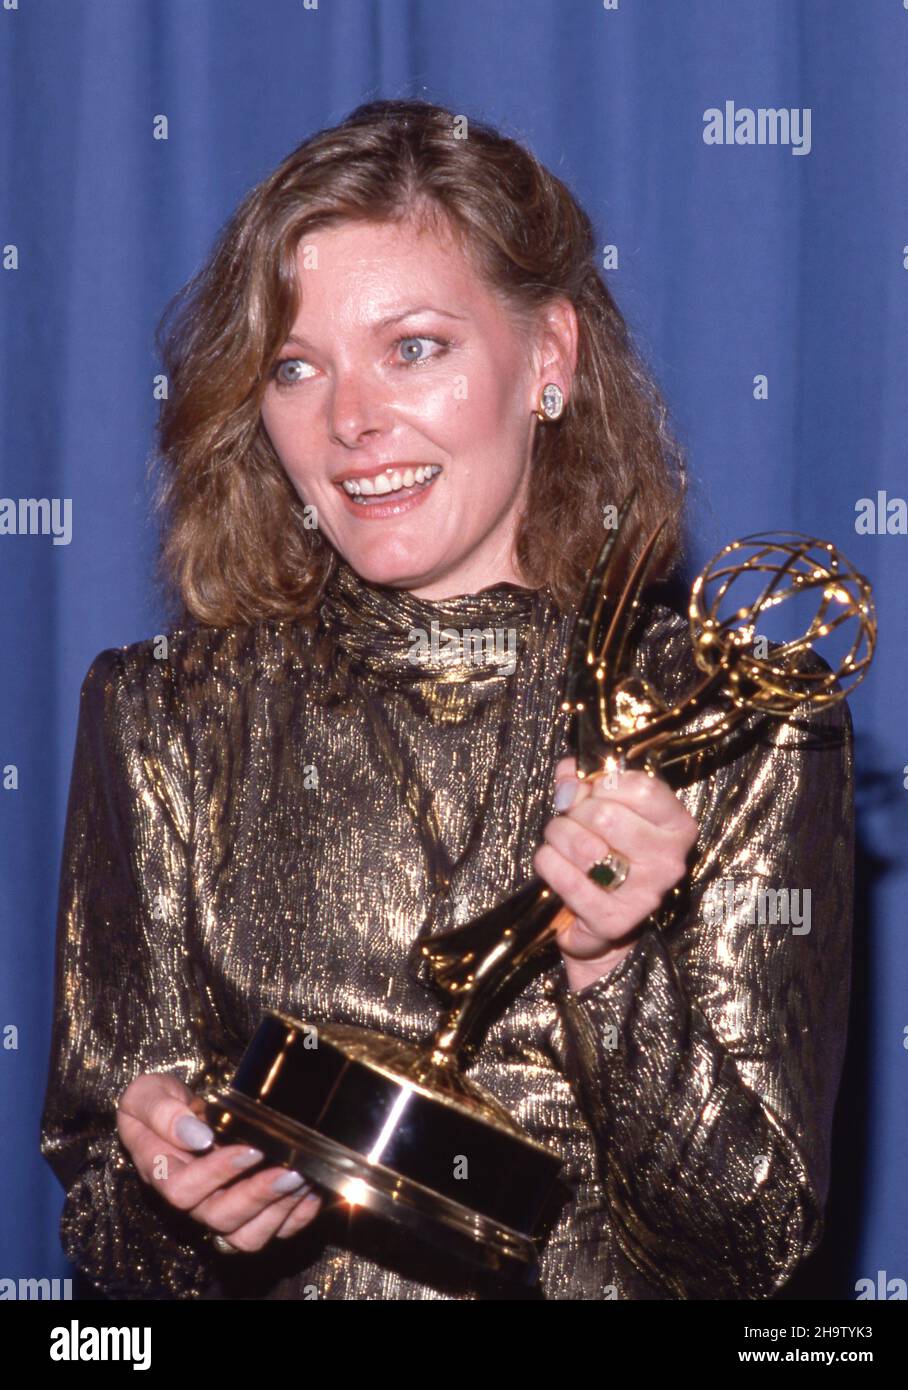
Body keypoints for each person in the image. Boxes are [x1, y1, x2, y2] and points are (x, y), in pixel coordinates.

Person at [39, 99, 853, 1300]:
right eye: (294, 365)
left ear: (548, 360)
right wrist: (172, 1203)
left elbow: (752, 1258)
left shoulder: (732, 718)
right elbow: (104, 1245)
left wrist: (611, 970)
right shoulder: (163, 717)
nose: (350, 419)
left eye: (412, 347)